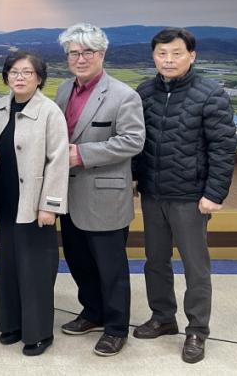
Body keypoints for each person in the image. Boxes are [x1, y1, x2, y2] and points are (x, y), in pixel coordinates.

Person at [132, 28, 236, 364]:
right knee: (155, 261)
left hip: (191, 196)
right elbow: (136, 141)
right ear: (153, 57)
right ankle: (163, 317)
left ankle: (197, 330)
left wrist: (214, 193)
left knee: (195, 266)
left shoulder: (210, 93)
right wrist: (133, 177)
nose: (169, 60)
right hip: (153, 193)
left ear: (192, 55)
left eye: (176, 53)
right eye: (162, 54)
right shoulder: (144, 92)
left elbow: (223, 148)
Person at [54, 23, 144, 356]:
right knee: (79, 261)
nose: (80, 59)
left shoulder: (123, 94)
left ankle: (116, 328)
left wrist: (83, 154)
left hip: (105, 195)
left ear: (102, 54)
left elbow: (133, 141)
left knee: (111, 268)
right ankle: (92, 312)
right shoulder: (64, 89)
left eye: (87, 52)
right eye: (73, 53)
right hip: (69, 194)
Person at [0, 51, 68, 356]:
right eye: (14, 72)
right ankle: (12, 324)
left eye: (27, 72)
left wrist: (50, 206)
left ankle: (39, 332)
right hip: (6, 201)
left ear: (39, 78)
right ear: (6, 77)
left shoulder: (49, 112)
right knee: (8, 265)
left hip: (35, 203)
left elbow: (58, 161)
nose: (19, 77)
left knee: (35, 268)